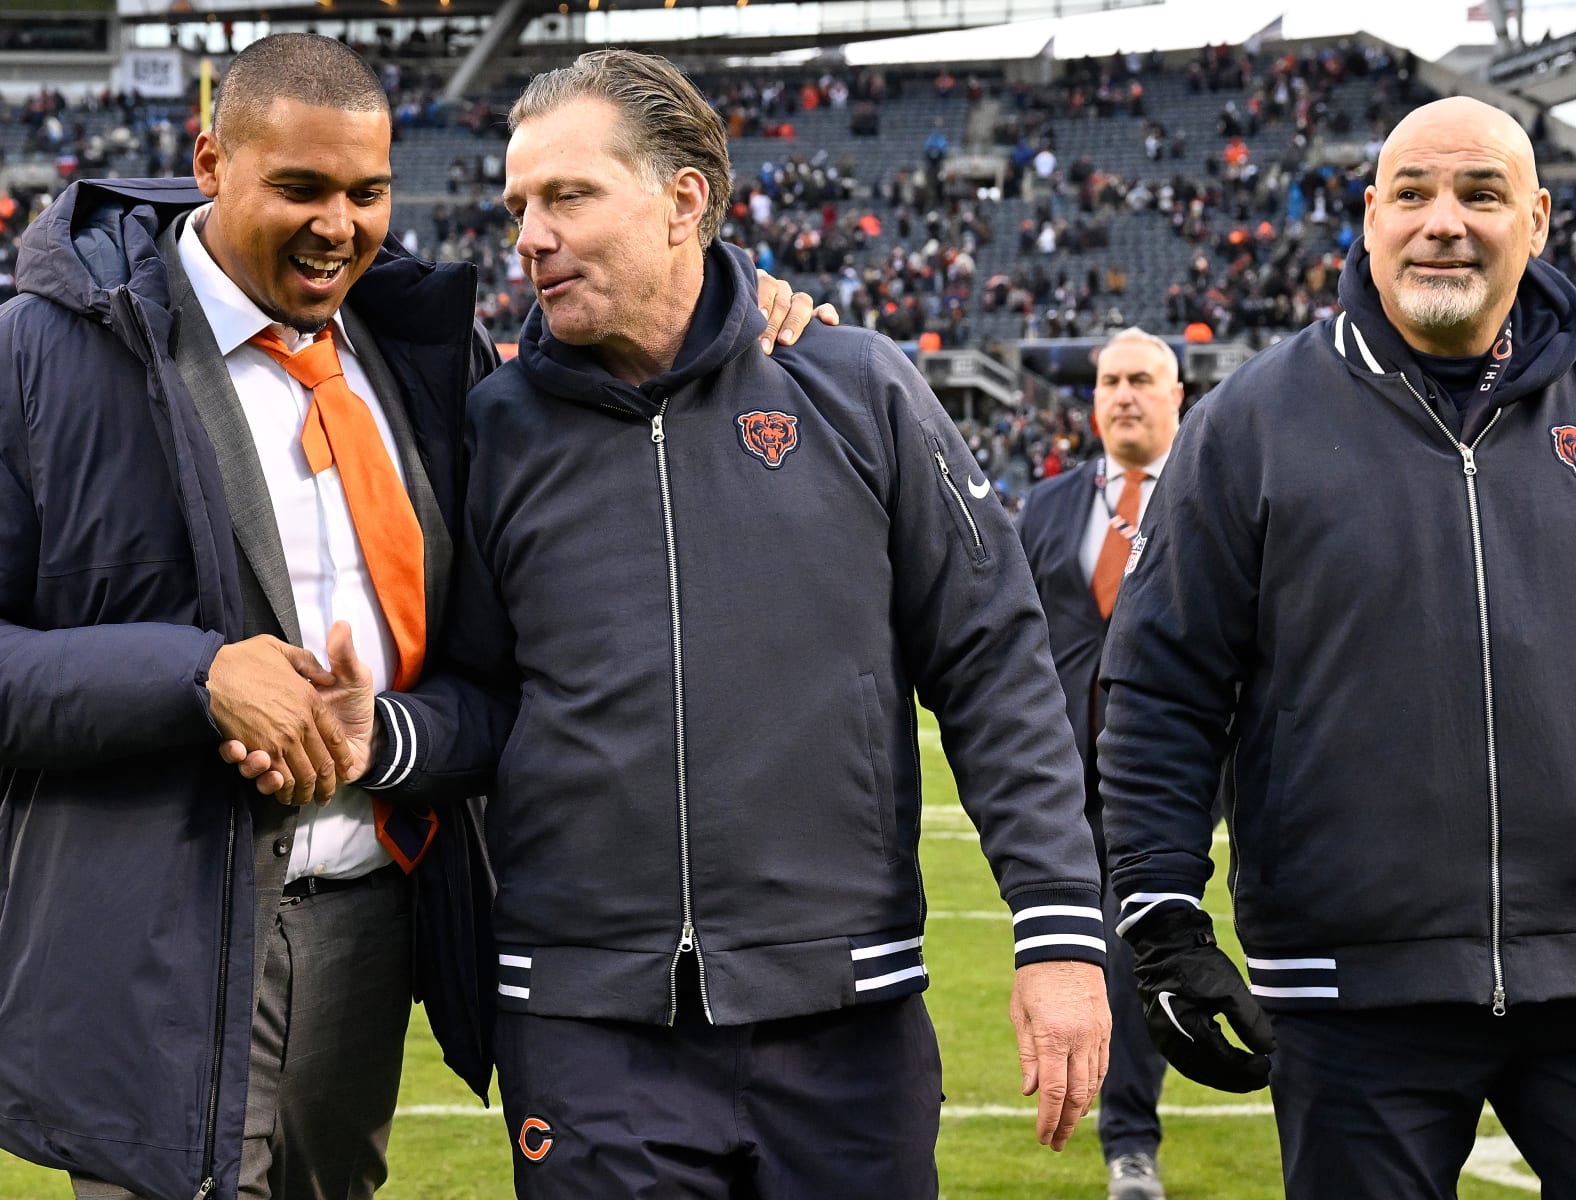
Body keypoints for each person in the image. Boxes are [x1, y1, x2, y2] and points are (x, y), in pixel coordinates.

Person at [0, 34, 825, 1200]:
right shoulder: (25, 362)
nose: (339, 226)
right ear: (211, 161)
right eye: (300, 188)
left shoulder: (420, 357)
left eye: (368, 193)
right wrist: (194, 677)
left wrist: (734, 296)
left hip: (371, 926)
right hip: (155, 932)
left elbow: (498, 651)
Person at [241, 49, 1109, 1198]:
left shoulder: (856, 387)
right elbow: (487, 699)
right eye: (517, 208)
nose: (530, 237)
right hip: (585, 1025)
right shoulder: (489, 433)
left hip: (845, 1015)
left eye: (568, 197)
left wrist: (1056, 931)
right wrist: (380, 740)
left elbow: (995, 666)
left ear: (684, 198)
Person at [1099, 95, 1576, 1197]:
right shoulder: (1251, 424)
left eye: (1480, 194)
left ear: (1540, 220)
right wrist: (1164, 920)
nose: (1442, 221)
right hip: (1348, 995)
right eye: (1411, 193)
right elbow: (1163, 688)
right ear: (1368, 217)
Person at [1016, 328, 1184, 1200]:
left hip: (1164, 777)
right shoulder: (1046, 507)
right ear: (1093, 401)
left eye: (1143, 380)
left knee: (1131, 955)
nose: (1124, 394)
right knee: (1080, 950)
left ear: (1177, 396)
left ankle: (1130, 1142)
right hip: (1061, 778)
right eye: (1112, 381)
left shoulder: (1205, 498)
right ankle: (1124, 1139)